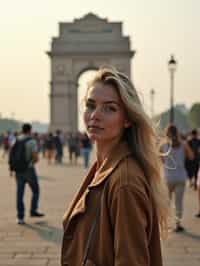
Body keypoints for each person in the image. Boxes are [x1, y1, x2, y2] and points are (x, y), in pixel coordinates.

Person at [61, 68, 169, 266]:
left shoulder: (124, 181)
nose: (95, 115)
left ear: (127, 118)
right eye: (90, 105)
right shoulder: (105, 167)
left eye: (109, 108)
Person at [160, 124, 193, 232]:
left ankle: (164, 223)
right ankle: (178, 224)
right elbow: (191, 156)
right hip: (180, 176)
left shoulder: (163, 146)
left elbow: (160, 160)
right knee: (179, 202)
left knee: (166, 202)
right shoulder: (183, 144)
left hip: (168, 177)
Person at [10, 123, 44, 224]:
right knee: (35, 190)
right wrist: (34, 162)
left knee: (19, 193)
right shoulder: (31, 141)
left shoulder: (15, 139)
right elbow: (35, 157)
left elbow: (11, 155)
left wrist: (11, 169)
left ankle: (20, 217)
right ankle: (33, 210)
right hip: (29, 169)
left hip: (18, 170)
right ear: (30, 130)